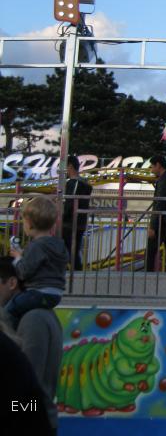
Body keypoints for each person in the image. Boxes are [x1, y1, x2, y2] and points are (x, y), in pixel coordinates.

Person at [0, 256, 62, 434]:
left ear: (11, 283)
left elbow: (31, 388)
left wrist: (9, 413)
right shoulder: (33, 315)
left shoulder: (33, 319)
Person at [6, 197, 68, 324]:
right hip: (56, 294)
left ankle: (10, 337)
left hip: (38, 293)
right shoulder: (59, 245)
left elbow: (24, 272)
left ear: (29, 223)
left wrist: (18, 258)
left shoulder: (36, 246)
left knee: (9, 309)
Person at [62, 155, 93, 270]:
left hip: (69, 223)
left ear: (70, 166)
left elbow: (70, 202)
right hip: (79, 223)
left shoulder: (74, 183)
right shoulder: (85, 184)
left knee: (69, 251)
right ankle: (75, 273)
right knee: (73, 251)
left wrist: (62, 216)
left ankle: (74, 274)